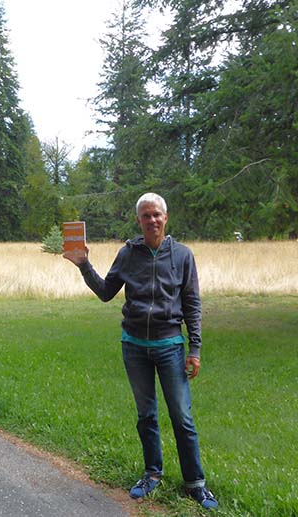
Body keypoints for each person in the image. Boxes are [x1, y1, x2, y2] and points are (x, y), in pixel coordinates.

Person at [63, 192, 218, 510]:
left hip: (170, 348)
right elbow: (107, 292)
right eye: (146, 215)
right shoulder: (128, 254)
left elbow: (192, 304)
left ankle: (196, 484)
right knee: (146, 415)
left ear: (166, 217)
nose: (152, 220)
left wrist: (195, 348)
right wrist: (83, 264)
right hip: (134, 347)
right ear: (139, 220)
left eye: (157, 214)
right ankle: (152, 474)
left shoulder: (183, 256)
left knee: (182, 417)